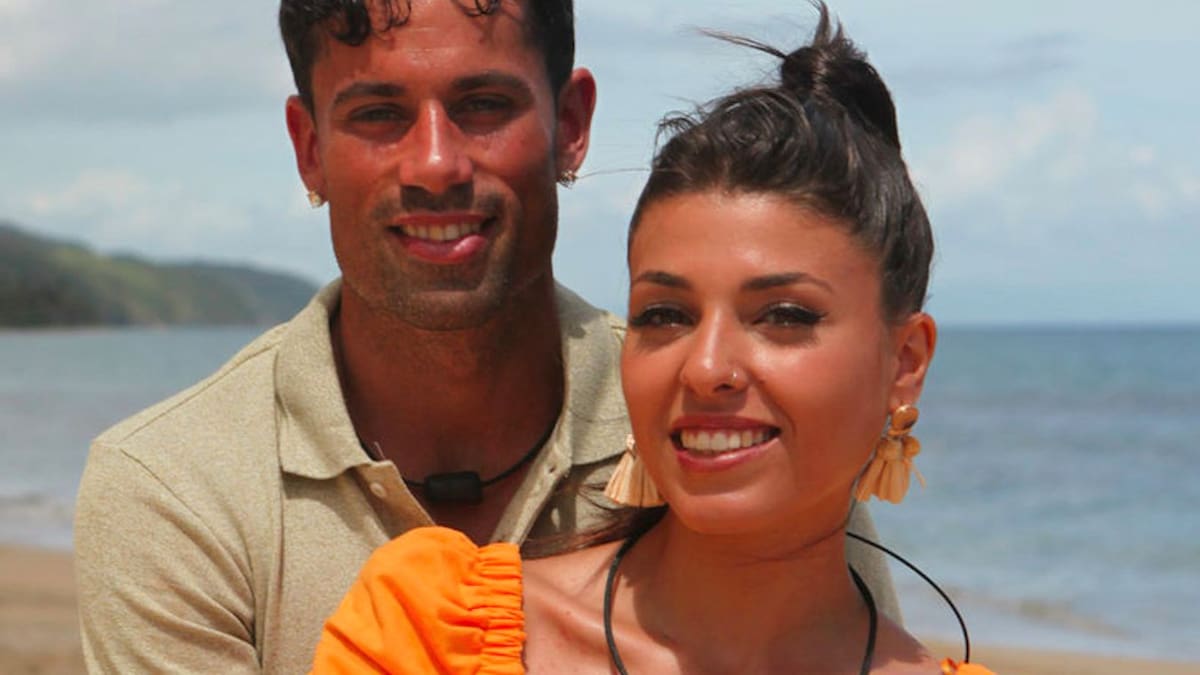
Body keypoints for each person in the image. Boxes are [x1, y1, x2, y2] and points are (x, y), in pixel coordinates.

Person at [73, 1, 896, 673]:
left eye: (483, 106)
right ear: (310, 147)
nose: (435, 164)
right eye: (379, 114)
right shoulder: (177, 487)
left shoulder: (717, 424)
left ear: (571, 123)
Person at [312, 4, 995, 674]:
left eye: (783, 316)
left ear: (905, 363)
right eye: (665, 315)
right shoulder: (435, 637)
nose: (705, 367)